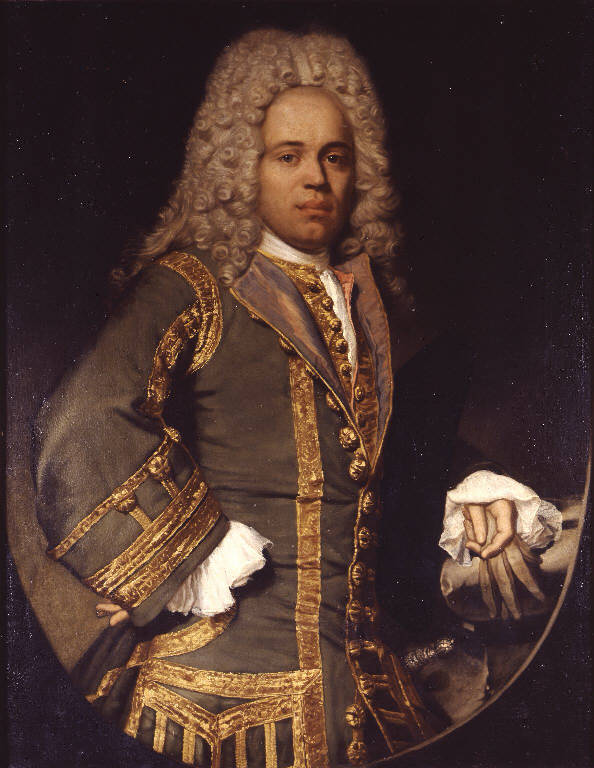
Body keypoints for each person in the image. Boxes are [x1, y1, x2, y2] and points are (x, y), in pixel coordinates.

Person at [34, 28, 561, 768]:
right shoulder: (193, 286)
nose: (316, 177)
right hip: (222, 697)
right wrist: (183, 558)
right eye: (288, 155)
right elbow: (80, 424)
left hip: (362, 686)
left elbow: (370, 457)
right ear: (239, 166)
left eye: (334, 157)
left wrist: (474, 489)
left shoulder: (360, 300)